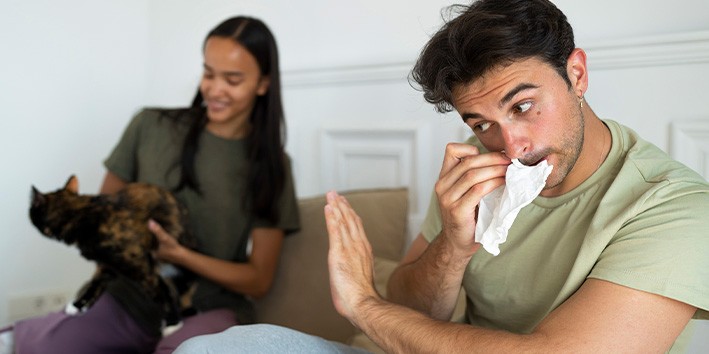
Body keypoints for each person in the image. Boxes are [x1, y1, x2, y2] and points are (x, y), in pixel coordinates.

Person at [172, 0, 709, 353]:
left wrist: (362, 303)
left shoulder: (676, 208)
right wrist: (453, 245)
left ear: (577, 73)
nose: (511, 146)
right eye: (481, 122)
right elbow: (411, 310)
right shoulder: (478, 163)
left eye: (523, 106)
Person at [2, 16, 300, 354]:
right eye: (208, 73)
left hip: (206, 307)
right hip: (128, 298)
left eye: (232, 79)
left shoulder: (273, 168)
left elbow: (258, 280)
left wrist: (180, 255)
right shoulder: (149, 126)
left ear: (263, 83)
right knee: (44, 348)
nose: (214, 90)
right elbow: (101, 222)